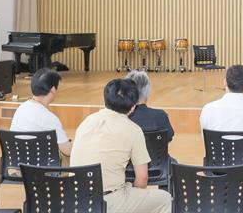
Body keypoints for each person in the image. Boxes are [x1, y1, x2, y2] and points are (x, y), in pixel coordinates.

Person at [71, 79, 172, 213]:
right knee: (165, 199)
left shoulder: (87, 121)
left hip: (76, 199)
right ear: (133, 107)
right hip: (107, 202)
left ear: (105, 100)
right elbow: (142, 178)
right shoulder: (133, 130)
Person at [199, 65, 243, 213]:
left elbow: (206, 142)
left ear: (224, 82)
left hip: (218, 167)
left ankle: (222, 200)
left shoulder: (208, 108)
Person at [10, 68, 72, 165]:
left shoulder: (21, 108)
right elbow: (67, 151)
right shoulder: (50, 119)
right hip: (42, 170)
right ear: (53, 90)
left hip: (19, 167)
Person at [125, 71, 175, 142]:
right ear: (148, 91)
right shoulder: (160, 116)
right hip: (155, 149)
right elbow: (169, 138)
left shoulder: (121, 117)